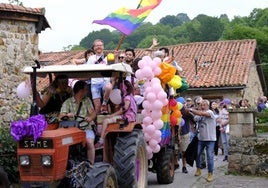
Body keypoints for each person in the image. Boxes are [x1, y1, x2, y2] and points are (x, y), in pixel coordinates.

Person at [59, 80, 96, 164]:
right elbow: (60, 116)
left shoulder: (87, 100)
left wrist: (90, 118)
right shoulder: (68, 102)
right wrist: (68, 115)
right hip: (72, 130)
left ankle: (91, 164)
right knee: (64, 144)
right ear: (81, 91)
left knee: (90, 143)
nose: (87, 91)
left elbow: (93, 113)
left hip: (85, 128)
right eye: (86, 89)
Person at [95, 80, 137, 148]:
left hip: (125, 120)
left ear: (125, 88)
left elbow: (124, 109)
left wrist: (112, 115)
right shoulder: (131, 96)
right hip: (129, 118)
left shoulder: (127, 98)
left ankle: (101, 140)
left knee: (106, 121)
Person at [188, 100, 216, 182]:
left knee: (209, 157)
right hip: (201, 139)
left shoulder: (210, 112)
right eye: (201, 105)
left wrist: (191, 109)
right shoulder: (199, 115)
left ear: (208, 106)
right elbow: (194, 119)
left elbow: (201, 113)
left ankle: (210, 173)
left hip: (210, 139)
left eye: (204, 105)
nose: (202, 107)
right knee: (197, 154)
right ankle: (198, 169)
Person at [86, 39, 112, 114]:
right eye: (97, 46)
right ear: (94, 48)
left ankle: (104, 103)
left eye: (100, 45)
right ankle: (98, 123)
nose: (98, 47)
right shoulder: (91, 58)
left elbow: (113, 66)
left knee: (109, 87)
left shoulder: (108, 57)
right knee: (97, 108)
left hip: (105, 81)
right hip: (95, 83)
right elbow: (87, 70)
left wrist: (115, 57)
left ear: (103, 47)